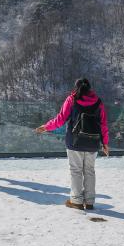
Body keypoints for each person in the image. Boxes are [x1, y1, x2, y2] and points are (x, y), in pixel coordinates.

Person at [35, 78, 109, 210]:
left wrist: (46, 127)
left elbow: (60, 120)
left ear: (76, 87)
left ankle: (76, 201)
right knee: (90, 171)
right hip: (93, 143)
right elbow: (103, 124)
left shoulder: (72, 99)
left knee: (76, 171)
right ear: (90, 88)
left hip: (75, 142)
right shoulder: (98, 102)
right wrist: (105, 143)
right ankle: (90, 201)